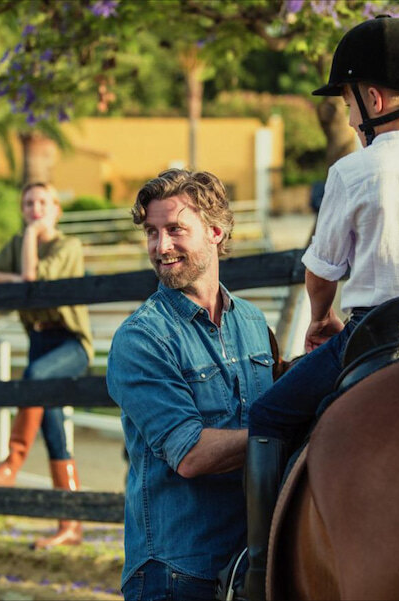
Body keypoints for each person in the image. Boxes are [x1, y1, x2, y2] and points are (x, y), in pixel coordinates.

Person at [243, 15, 399, 599]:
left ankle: (256, 572)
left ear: (374, 98)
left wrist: (323, 319)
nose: (351, 118)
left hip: (373, 335)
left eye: (350, 104)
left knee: (268, 418)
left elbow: (321, 270)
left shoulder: (350, 171)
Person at [106, 169, 275, 601]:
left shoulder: (254, 324)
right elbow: (191, 455)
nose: (161, 247)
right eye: (152, 232)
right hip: (176, 573)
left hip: (249, 567)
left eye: (175, 229)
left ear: (216, 230)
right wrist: (285, 429)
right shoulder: (141, 339)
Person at [0, 181, 94, 549]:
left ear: (56, 209)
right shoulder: (17, 244)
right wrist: (18, 264)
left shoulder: (68, 246)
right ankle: (71, 525)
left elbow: (34, 280)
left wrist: (29, 237)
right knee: (54, 430)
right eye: (29, 203)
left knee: (34, 379)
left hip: (69, 343)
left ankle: (12, 462)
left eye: (43, 202)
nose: (36, 209)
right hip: (38, 341)